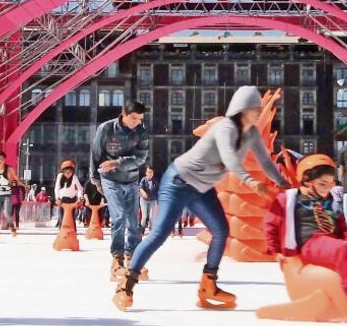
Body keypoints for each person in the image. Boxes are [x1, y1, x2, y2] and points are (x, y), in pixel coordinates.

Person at [113, 86, 291, 311]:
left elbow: (265, 162)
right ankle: (126, 285)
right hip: (178, 181)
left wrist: (283, 182)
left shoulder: (252, 133)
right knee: (159, 234)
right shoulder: (225, 128)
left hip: (201, 189)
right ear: (243, 109)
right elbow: (230, 159)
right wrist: (252, 182)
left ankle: (209, 284)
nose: (258, 112)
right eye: (254, 108)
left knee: (221, 231)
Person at [262, 154, 347, 321]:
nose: (327, 188)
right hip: (310, 242)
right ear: (307, 181)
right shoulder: (289, 198)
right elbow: (270, 225)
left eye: (331, 184)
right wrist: (276, 251)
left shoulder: (330, 200)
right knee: (340, 249)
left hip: (334, 241)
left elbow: (342, 224)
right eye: (323, 184)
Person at [90, 99, 149, 279]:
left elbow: (140, 158)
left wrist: (118, 162)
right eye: (133, 118)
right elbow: (95, 153)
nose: (136, 123)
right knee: (119, 216)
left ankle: (133, 258)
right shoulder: (106, 129)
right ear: (123, 113)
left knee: (133, 220)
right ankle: (117, 260)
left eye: (140, 119)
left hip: (131, 179)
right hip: (109, 179)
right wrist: (95, 179)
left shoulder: (141, 131)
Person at [54, 160, 84, 228]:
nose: (68, 174)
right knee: (62, 216)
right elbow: (57, 188)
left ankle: (73, 230)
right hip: (62, 200)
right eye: (66, 172)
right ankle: (62, 230)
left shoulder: (74, 177)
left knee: (72, 217)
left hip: (72, 200)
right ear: (63, 171)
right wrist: (57, 198)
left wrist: (79, 198)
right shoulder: (60, 176)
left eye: (70, 172)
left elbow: (80, 188)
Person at [138, 166, 158, 235]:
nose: (150, 174)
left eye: (151, 172)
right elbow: (140, 187)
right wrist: (143, 193)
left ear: (153, 173)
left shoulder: (155, 181)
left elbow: (157, 191)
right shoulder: (143, 179)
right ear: (146, 173)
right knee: (144, 216)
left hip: (152, 200)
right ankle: (142, 230)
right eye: (148, 172)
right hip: (144, 200)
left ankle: (152, 230)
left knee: (151, 216)